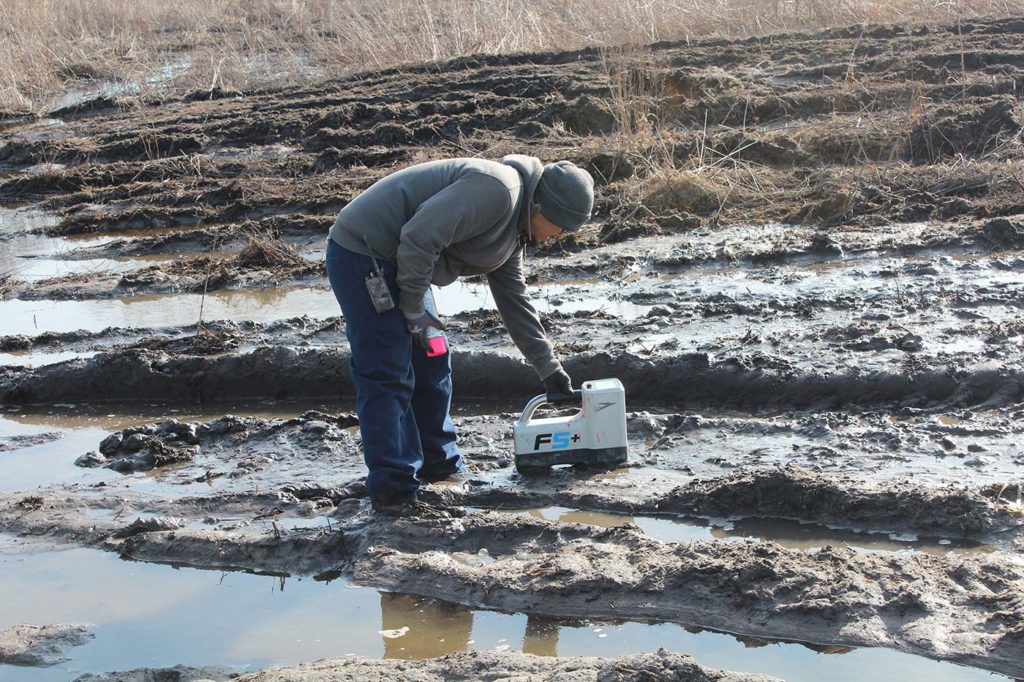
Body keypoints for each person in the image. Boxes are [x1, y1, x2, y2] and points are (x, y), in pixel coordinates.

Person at [325, 154, 594, 513]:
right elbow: (419, 235)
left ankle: (440, 467)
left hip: (407, 264)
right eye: (561, 227)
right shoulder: (497, 190)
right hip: (367, 253)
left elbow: (514, 300)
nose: (558, 237)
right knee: (389, 369)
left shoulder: (515, 231)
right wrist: (412, 311)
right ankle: (395, 489)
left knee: (433, 358)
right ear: (542, 206)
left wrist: (550, 370)